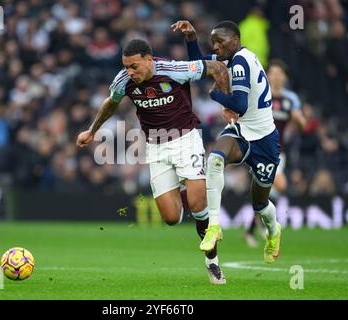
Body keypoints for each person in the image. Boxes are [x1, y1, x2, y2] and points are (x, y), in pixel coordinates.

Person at [76, 39, 230, 284]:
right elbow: (110, 103)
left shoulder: (174, 69)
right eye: (126, 67)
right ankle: (187, 190)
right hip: (155, 147)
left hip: (186, 139)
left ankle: (212, 262)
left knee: (199, 205)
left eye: (134, 66)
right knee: (170, 219)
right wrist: (91, 131)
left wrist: (228, 105)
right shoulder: (123, 81)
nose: (130, 72)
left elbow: (218, 69)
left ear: (149, 60)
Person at [172, 20, 282, 264]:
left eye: (220, 43)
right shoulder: (230, 57)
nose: (216, 48)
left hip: (264, 139)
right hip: (242, 132)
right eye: (214, 43)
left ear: (235, 41)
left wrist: (215, 95)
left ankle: (274, 232)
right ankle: (214, 226)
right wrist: (191, 38)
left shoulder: (241, 61)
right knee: (215, 159)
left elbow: (240, 105)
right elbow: (201, 65)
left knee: (260, 205)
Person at [244, 59, 307, 247]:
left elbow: (302, 126)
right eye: (273, 73)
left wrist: (299, 120)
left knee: (266, 192)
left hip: (280, 152)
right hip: (260, 149)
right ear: (267, 75)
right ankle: (264, 227)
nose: (277, 76)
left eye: (280, 73)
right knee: (278, 186)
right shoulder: (260, 95)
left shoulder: (290, 100)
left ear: (285, 77)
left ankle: (252, 230)